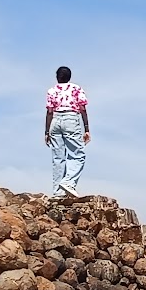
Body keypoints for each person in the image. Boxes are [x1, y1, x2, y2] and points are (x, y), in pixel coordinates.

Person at [44, 66, 90, 199]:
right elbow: (82, 109)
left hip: (55, 120)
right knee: (78, 154)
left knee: (58, 158)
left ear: (57, 77)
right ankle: (68, 182)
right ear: (69, 77)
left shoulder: (52, 91)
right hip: (71, 118)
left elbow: (49, 112)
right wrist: (86, 128)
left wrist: (47, 131)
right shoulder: (76, 89)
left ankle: (58, 192)